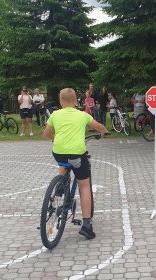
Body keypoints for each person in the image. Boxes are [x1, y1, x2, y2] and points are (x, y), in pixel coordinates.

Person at [43, 88, 109, 240]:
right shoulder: (82, 115)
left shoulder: (55, 114)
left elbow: (46, 133)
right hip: (77, 154)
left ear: (61, 102)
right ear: (75, 101)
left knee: (64, 163)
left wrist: (55, 139)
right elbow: (98, 126)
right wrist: (104, 132)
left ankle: (60, 187)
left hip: (58, 152)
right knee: (84, 186)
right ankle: (86, 225)